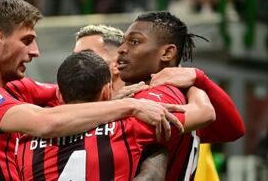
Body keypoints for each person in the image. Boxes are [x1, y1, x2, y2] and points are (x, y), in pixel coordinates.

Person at [0, 0, 185, 181]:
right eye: (26, 40)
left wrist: (191, 80)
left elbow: (78, 94)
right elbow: (47, 123)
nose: (34, 52)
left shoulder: (12, 90)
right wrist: (130, 106)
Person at [16, 51, 214, 180]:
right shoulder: (130, 127)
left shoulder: (23, 139)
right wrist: (192, 81)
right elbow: (204, 113)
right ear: (106, 91)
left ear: (59, 95)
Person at [117, 11, 245, 180]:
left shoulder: (155, 99)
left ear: (167, 53)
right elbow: (233, 130)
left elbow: (232, 130)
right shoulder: (186, 99)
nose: (121, 49)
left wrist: (199, 79)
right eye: (122, 42)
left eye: (134, 42)